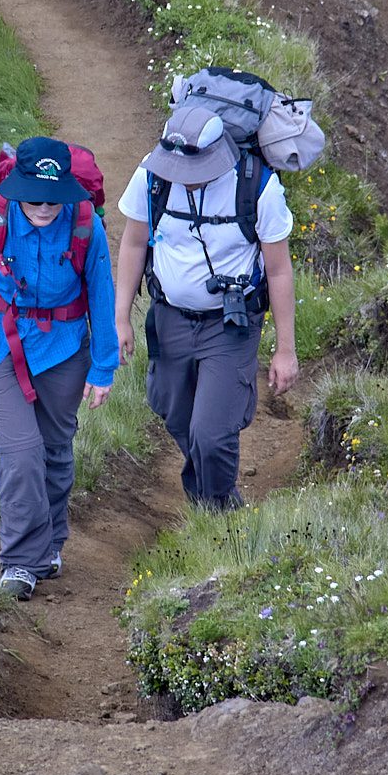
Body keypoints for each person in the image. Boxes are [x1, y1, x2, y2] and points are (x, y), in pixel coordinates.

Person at [0, 137, 118, 600]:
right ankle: (21, 563)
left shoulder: (86, 225)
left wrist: (104, 366)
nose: (45, 207)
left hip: (64, 351)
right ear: (17, 189)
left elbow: (102, 295)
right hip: (0, 351)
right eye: (34, 197)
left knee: (56, 449)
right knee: (20, 452)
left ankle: (49, 546)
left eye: (53, 197)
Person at [114, 104, 299, 509]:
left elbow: (279, 271)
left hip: (230, 326)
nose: (186, 180)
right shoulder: (151, 177)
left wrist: (286, 350)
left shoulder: (258, 188)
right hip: (169, 319)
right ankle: (207, 492)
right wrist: (120, 316)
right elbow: (132, 244)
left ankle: (217, 511)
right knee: (176, 415)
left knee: (212, 432)